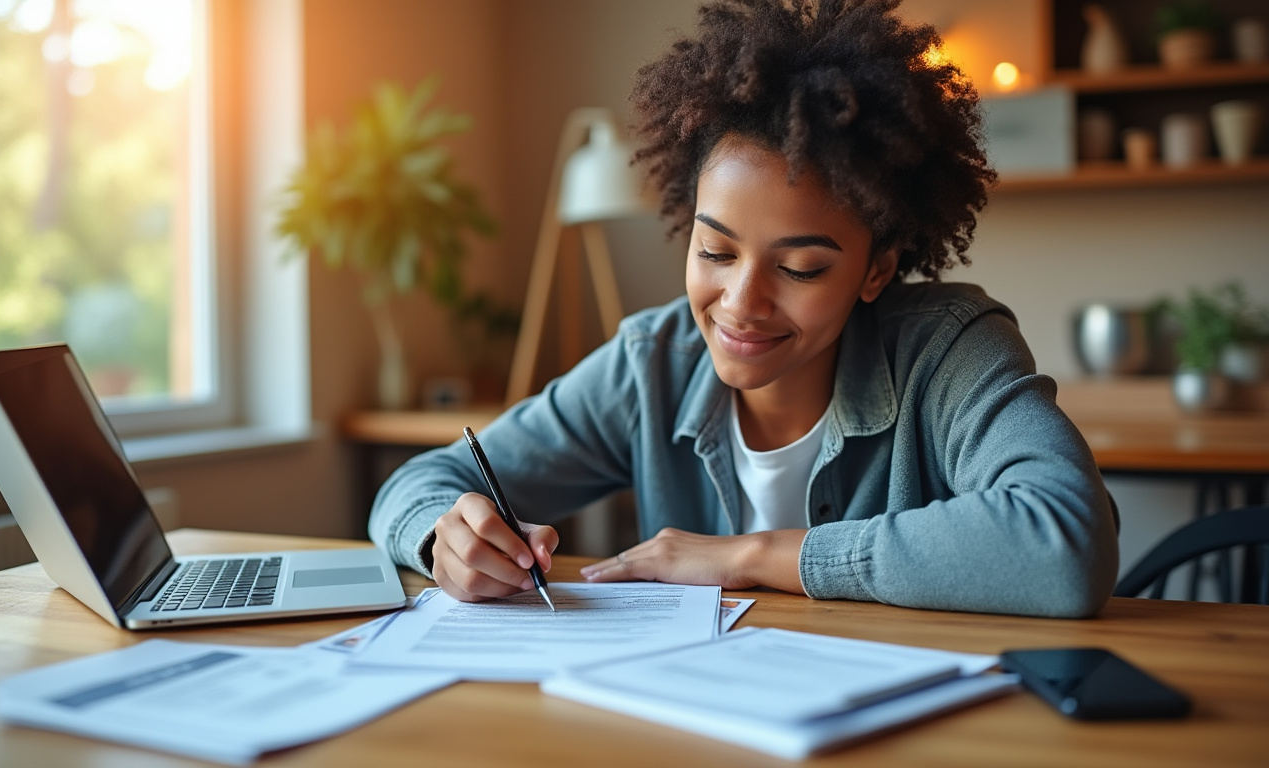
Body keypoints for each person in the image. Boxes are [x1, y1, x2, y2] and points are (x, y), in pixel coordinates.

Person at [369, 0, 1118, 618]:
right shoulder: (651, 364)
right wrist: (444, 541)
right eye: (716, 252)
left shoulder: (947, 351)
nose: (741, 304)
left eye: (799, 267)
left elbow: (1066, 542)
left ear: (876, 269)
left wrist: (751, 555)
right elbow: (420, 483)